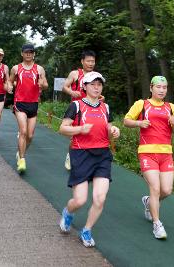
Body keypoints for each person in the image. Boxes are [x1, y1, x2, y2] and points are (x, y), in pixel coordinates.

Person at [58, 71, 120, 248]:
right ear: (84, 86)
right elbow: (63, 128)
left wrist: (115, 130)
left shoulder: (105, 107)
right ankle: (68, 213)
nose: (96, 87)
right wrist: (80, 129)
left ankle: (87, 229)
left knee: (100, 198)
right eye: (92, 84)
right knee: (79, 200)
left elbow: (109, 126)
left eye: (99, 84)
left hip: (102, 156)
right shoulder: (76, 106)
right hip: (81, 154)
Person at [123, 76, 174, 239]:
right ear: (151, 88)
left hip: (166, 154)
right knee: (155, 188)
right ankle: (157, 224)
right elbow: (126, 121)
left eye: (164, 87)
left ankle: (148, 202)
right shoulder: (142, 104)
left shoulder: (171, 107)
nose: (162, 90)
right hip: (147, 152)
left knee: (166, 190)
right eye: (158, 87)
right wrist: (139, 123)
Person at [62, 50, 104, 170]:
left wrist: (101, 97)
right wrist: (72, 92)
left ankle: (89, 159)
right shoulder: (75, 74)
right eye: (88, 61)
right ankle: (70, 155)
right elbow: (65, 86)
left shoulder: (96, 76)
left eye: (93, 61)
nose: (91, 63)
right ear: (82, 61)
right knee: (75, 135)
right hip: (77, 109)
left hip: (91, 109)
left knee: (89, 134)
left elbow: (98, 91)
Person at [9, 44, 48, 173]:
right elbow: (10, 81)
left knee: (30, 136)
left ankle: (21, 152)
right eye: (26, 52)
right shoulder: (16, 68)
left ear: (34, 54)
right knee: (23, 131)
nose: (28, 54)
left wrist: (43, 84)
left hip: (33, 104)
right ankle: (22, 159)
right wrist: (10, 86)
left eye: (31, 52)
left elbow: (46, 84)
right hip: (20, 103)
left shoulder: (39, 69)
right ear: (22, 53)